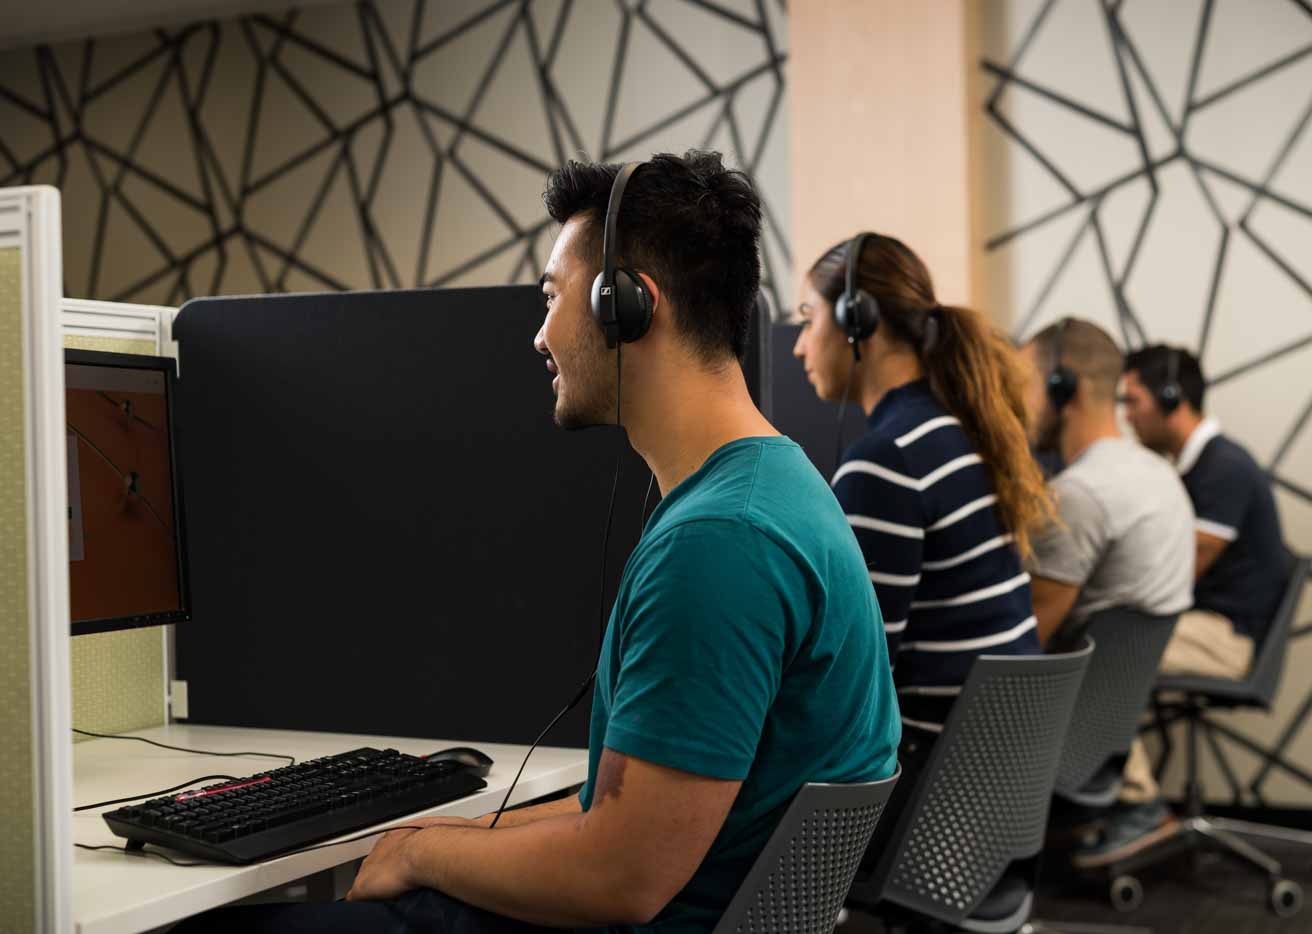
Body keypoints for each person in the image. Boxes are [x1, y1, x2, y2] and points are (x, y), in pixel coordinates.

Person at [177, 152, 900, 933]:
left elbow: (621, 876)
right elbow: (618, 814)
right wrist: (433, 837)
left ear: (628, 306)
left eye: (554, 297)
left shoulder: (722, 546)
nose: (539, 335)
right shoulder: (777, 490)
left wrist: (422, 856)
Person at [793, 232, 1053, 869]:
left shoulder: (887, 460)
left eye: (808, 318)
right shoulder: (961, 430)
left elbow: (858, 674)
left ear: (858, 321)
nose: (798, 344)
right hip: (990, 783)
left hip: (927, 796)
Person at [1019, 318, 1194, 868]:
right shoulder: (1157, 473)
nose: (1015, 403)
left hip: (1058, 727)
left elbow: (1021, 644)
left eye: (1023, 385)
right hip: (1105, 720)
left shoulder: (1080, 495)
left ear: (1061, 388)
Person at [1115, 344, 1292, 816]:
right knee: (1102, 643)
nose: (1126, 416)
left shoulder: (1223, 468)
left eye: (1132, 401)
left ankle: (1136, 805)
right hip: (1207, 625)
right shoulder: (1199, 466)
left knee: (1107, 658)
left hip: (1226, 638)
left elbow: (1175, 573)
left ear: (1171, 398)